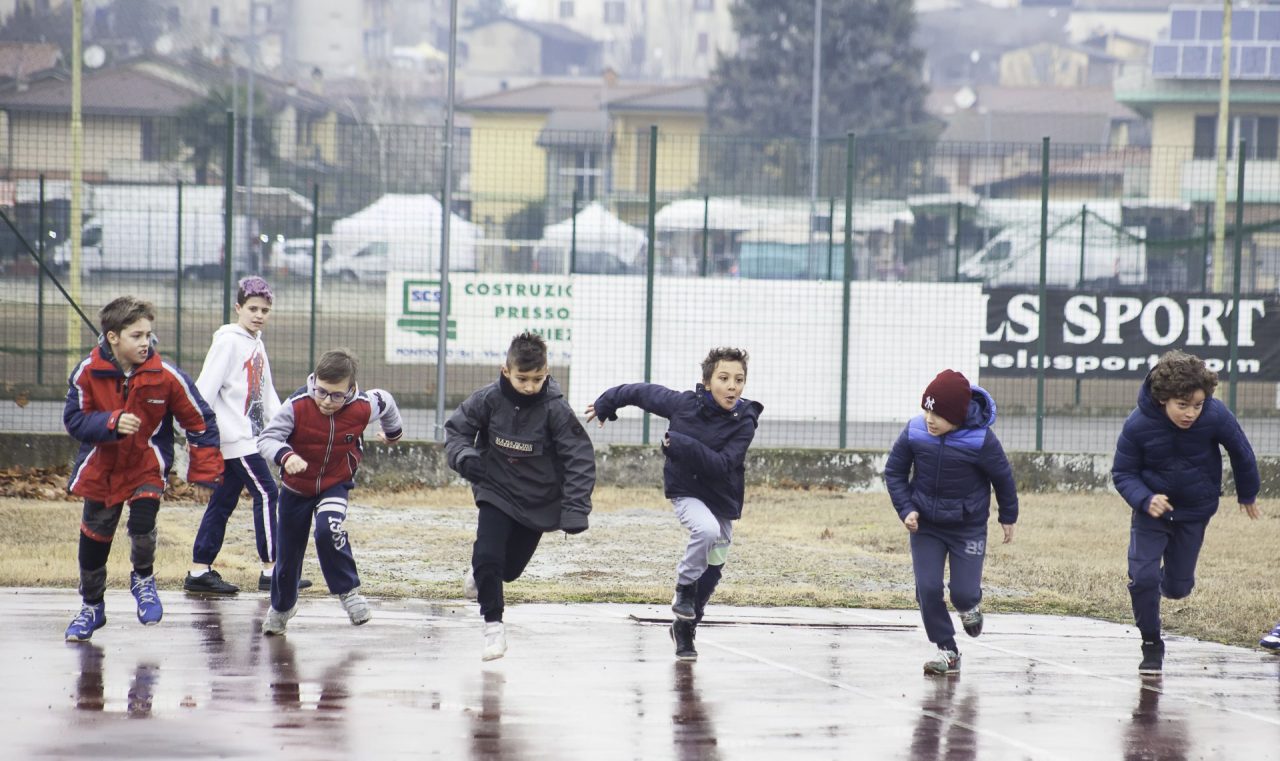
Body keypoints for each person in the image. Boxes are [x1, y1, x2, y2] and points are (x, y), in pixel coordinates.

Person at [62, 296, 223, 641]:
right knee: (95, 540)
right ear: (113, 337)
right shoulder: (87, 373)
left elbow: (201, 421)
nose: (145, 342)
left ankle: (144, 578)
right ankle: (91, 607)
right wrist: (111, 422)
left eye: (148, 334)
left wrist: (205, 472)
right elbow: (74, 420)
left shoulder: (165, 375)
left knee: (143, 521)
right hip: (102, 469)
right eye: (136, 335)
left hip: (146, 465)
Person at [587, 347, 762, 662]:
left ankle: (686, 626)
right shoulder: (684, 405)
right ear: (707, 383)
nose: (733, 386)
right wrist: (606, 402)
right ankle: (684, 587)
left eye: (739, 379)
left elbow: (723, 465)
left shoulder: (745, 420)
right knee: (706, 531)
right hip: (686, 491)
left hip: (722, 496)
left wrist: (679, 444)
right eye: (724, 378)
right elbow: (641, 393)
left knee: (715, 562)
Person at [445, 331, 596, 661]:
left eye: (537, 378)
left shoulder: (555, 408)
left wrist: (575, 509)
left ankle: (481, 574)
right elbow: (456, 431)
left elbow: (579, 457)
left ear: (547, 371)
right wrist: (465, 457)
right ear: (505, 371)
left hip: (537, 501)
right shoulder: (487, 400)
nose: (530, 386)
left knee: (507, 570)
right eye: (522, 378)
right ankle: (493, 629)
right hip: (495, 489)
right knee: (488, 556)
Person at [1112, 350, 1260, 675]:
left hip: (1194, 511)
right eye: (1183, 405)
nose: (1191, 413)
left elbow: (1241, 451)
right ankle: (1151, 643)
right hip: (1152, 513)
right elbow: (1122, 473)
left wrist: (1248, 492)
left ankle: (1165, 585)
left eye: (1198, 405)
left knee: (1178, 588)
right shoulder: (1138, 424)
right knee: (1143, 578)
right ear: (1164, 399)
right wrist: (1145, 499)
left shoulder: (1216, 415)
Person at [256, 348, 403, 635]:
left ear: (350, 390)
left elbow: (386, 402)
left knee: (328, 529)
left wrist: (393, 434)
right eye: (321, 391)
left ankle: (349, 593)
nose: (326, 401)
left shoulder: (363, 405)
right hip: (296, 488)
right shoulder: (297, 405)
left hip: (335, 482)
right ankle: (283, 607)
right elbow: (267, 439)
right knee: (287, 555)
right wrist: (286, 456)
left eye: (337, 395)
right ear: (314, 381)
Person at [883, 369, 1018, 676]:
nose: (930, 418)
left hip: (966, 527)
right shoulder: (915, 431)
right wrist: (906, 510)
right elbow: (894, 473)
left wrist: (1007, 516)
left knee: (962, 593)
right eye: (927, 409)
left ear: (957, 416)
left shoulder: (981, 440)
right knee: (927, 588)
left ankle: (971, 607)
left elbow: (1003, 479)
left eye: (939, 413)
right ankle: (947, 649)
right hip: (926, 526)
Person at [186, 276, 311, 595]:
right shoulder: (228, 341)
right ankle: (273, 570)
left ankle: (199, 571)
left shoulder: (255, 342)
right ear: (238, 308)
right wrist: (201, 436)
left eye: (265, 310)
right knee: (268, 494)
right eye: (253, 308)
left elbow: (266, 394)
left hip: (251, 437)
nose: (259, 315)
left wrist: (288, 426)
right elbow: (204, 390)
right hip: (236, 438)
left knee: (223, 501)